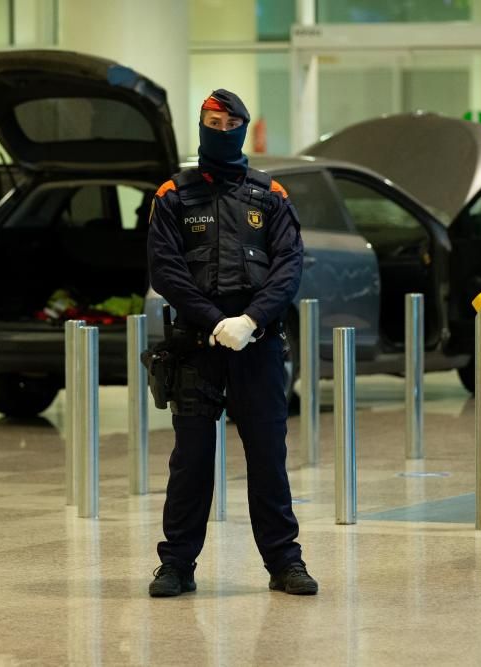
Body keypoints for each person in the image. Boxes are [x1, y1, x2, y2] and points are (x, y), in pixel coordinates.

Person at [146, 89, 317, 597]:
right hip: (197, 346)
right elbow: (167, 270)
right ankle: (176, 564)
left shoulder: (271, 197)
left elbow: (288, 268)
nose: (218, 129)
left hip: (256, 346)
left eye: (227, 122)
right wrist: (215, 320)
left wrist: (250, 321)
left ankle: (286, 563)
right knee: (191, 461)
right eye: (210, 121)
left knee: (268, 457)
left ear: (242, 128)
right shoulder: (173, 195)